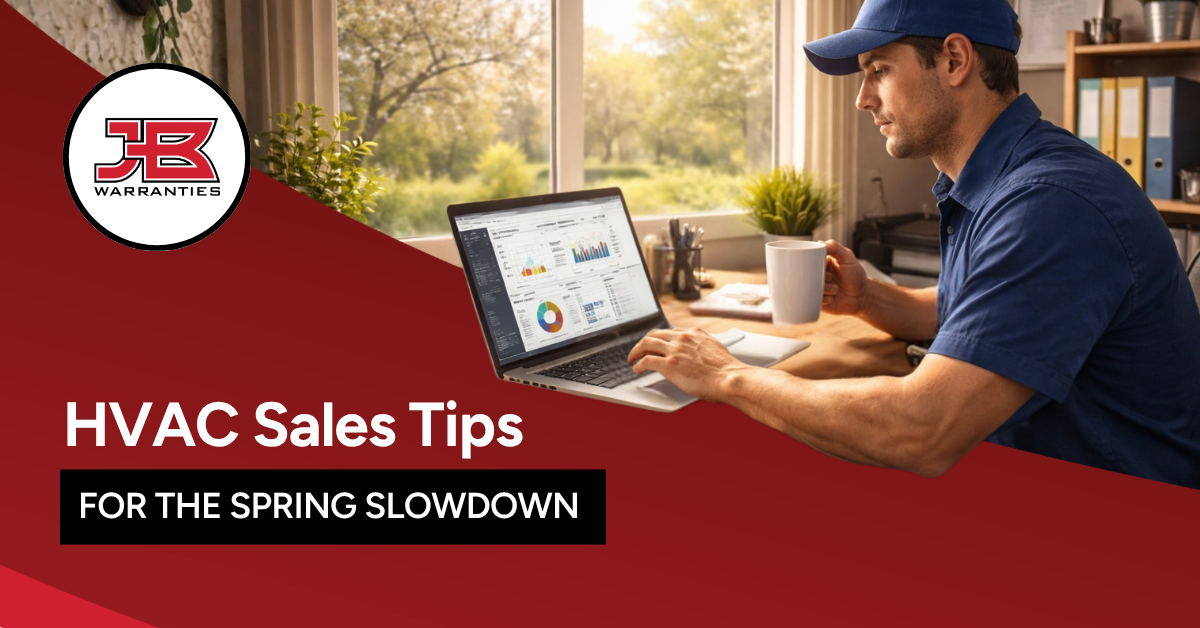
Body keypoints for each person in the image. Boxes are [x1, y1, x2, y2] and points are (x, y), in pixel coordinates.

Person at [627, 0, 1200, 487]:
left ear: (954, 60)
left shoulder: (1049, 204)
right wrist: (872, 300)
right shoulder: (1003, 177)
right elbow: (983, 317)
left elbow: (922, 428)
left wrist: (729, 376)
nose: (862, 99)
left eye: (877, 70)